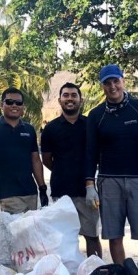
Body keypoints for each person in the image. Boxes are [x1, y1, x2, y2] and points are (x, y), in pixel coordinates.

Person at [85, 64, 138, 265]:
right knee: (114, 234)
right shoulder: (96, 115)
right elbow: (91, 152)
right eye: (107, 83)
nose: (112, 87)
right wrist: (89, 185)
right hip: (109, 181)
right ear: (102, 86)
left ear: (123, 81)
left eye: (115, 81)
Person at [41, 82, 102, 258]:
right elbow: (46, 159)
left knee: (91, 236)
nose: (70, 99)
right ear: (60, 100)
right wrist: (62, 170)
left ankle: (97, 273)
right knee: (65, 238)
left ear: (80, 100)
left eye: (73, 95)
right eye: (66, 95)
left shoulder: (90, 124)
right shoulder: (51, 129)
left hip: (87, 191)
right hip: (61, 191)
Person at [0, 87, 48, 214]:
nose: (14, 105)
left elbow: (35, 160)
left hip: (31, 193)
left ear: (23, 106)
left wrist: (42, 188)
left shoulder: (29, 130)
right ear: (1, 105)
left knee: (30, 231)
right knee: (16, 232)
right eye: (9, 102)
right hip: (7, 195)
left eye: (18, 103)